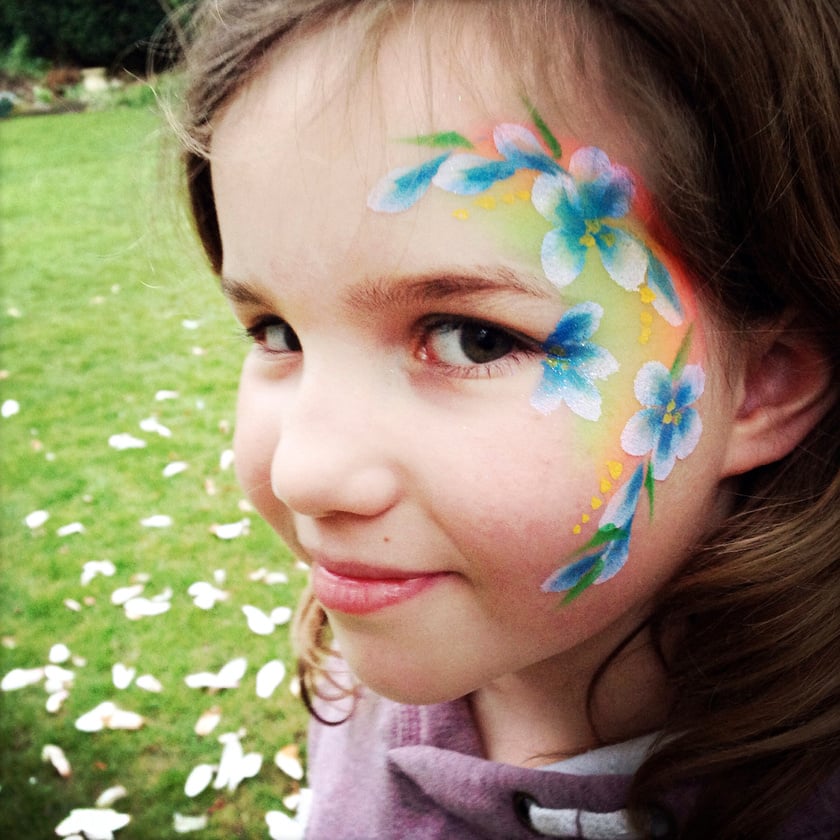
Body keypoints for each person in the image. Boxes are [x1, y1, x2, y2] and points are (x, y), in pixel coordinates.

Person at [171, 0, 840, 837]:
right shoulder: (356, 673)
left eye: (473, 338)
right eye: (276, 332)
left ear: (761, 384)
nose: (301, 472)